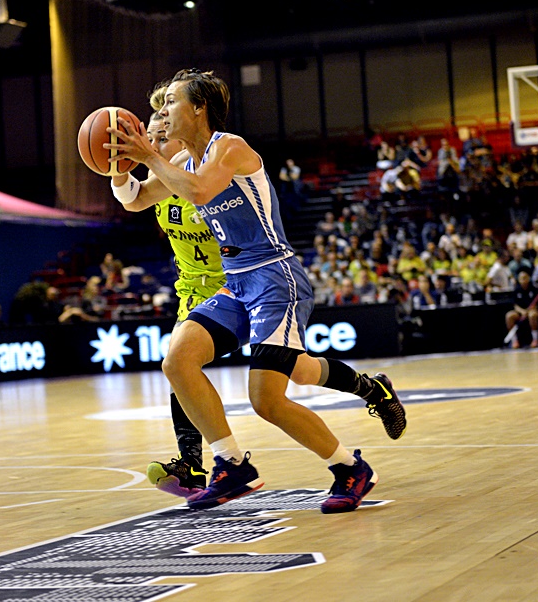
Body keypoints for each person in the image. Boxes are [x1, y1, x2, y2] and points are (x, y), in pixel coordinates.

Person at [108, 69, 406, 513]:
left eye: (171, 102)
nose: (164, 111)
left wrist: (150, 156)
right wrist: (115, 168)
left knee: (266, 399)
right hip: (237, 283)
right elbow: (135, 200)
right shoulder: (184, 163)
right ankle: (231, 464)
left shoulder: (229, 147)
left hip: (275, 278)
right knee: (178, 359)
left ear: (198, 108)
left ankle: (349, 468)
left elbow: (202, 190)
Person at [505, 269, 538, 349]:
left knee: (532, 315)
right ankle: (514, 341)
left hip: (531, 311)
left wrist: (529, 311)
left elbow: (537, 305)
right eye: (521, 278)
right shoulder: (516, 290)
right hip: (521, 312)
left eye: (525, 278)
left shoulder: (534, 289)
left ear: (529, 278)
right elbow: (515, 305)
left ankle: (535, 339)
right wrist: (522, 311)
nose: (523, 280)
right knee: (509, 316)